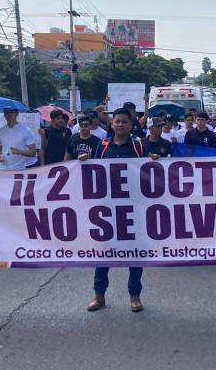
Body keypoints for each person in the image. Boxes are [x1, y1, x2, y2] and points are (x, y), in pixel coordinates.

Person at [86, 108, 149, 312]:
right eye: (117, 121)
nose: (120, 124)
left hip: (134, 209)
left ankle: (135, 296)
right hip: (108, 209)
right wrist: (84, 164)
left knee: (135, 254)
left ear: (131, 125)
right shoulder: (102, 146)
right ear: (111, 124)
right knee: (104, 254)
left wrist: (155, 162)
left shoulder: (139, 146)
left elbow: (150, 175)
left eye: (124, 122)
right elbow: (94, 172)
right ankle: (99, 295)